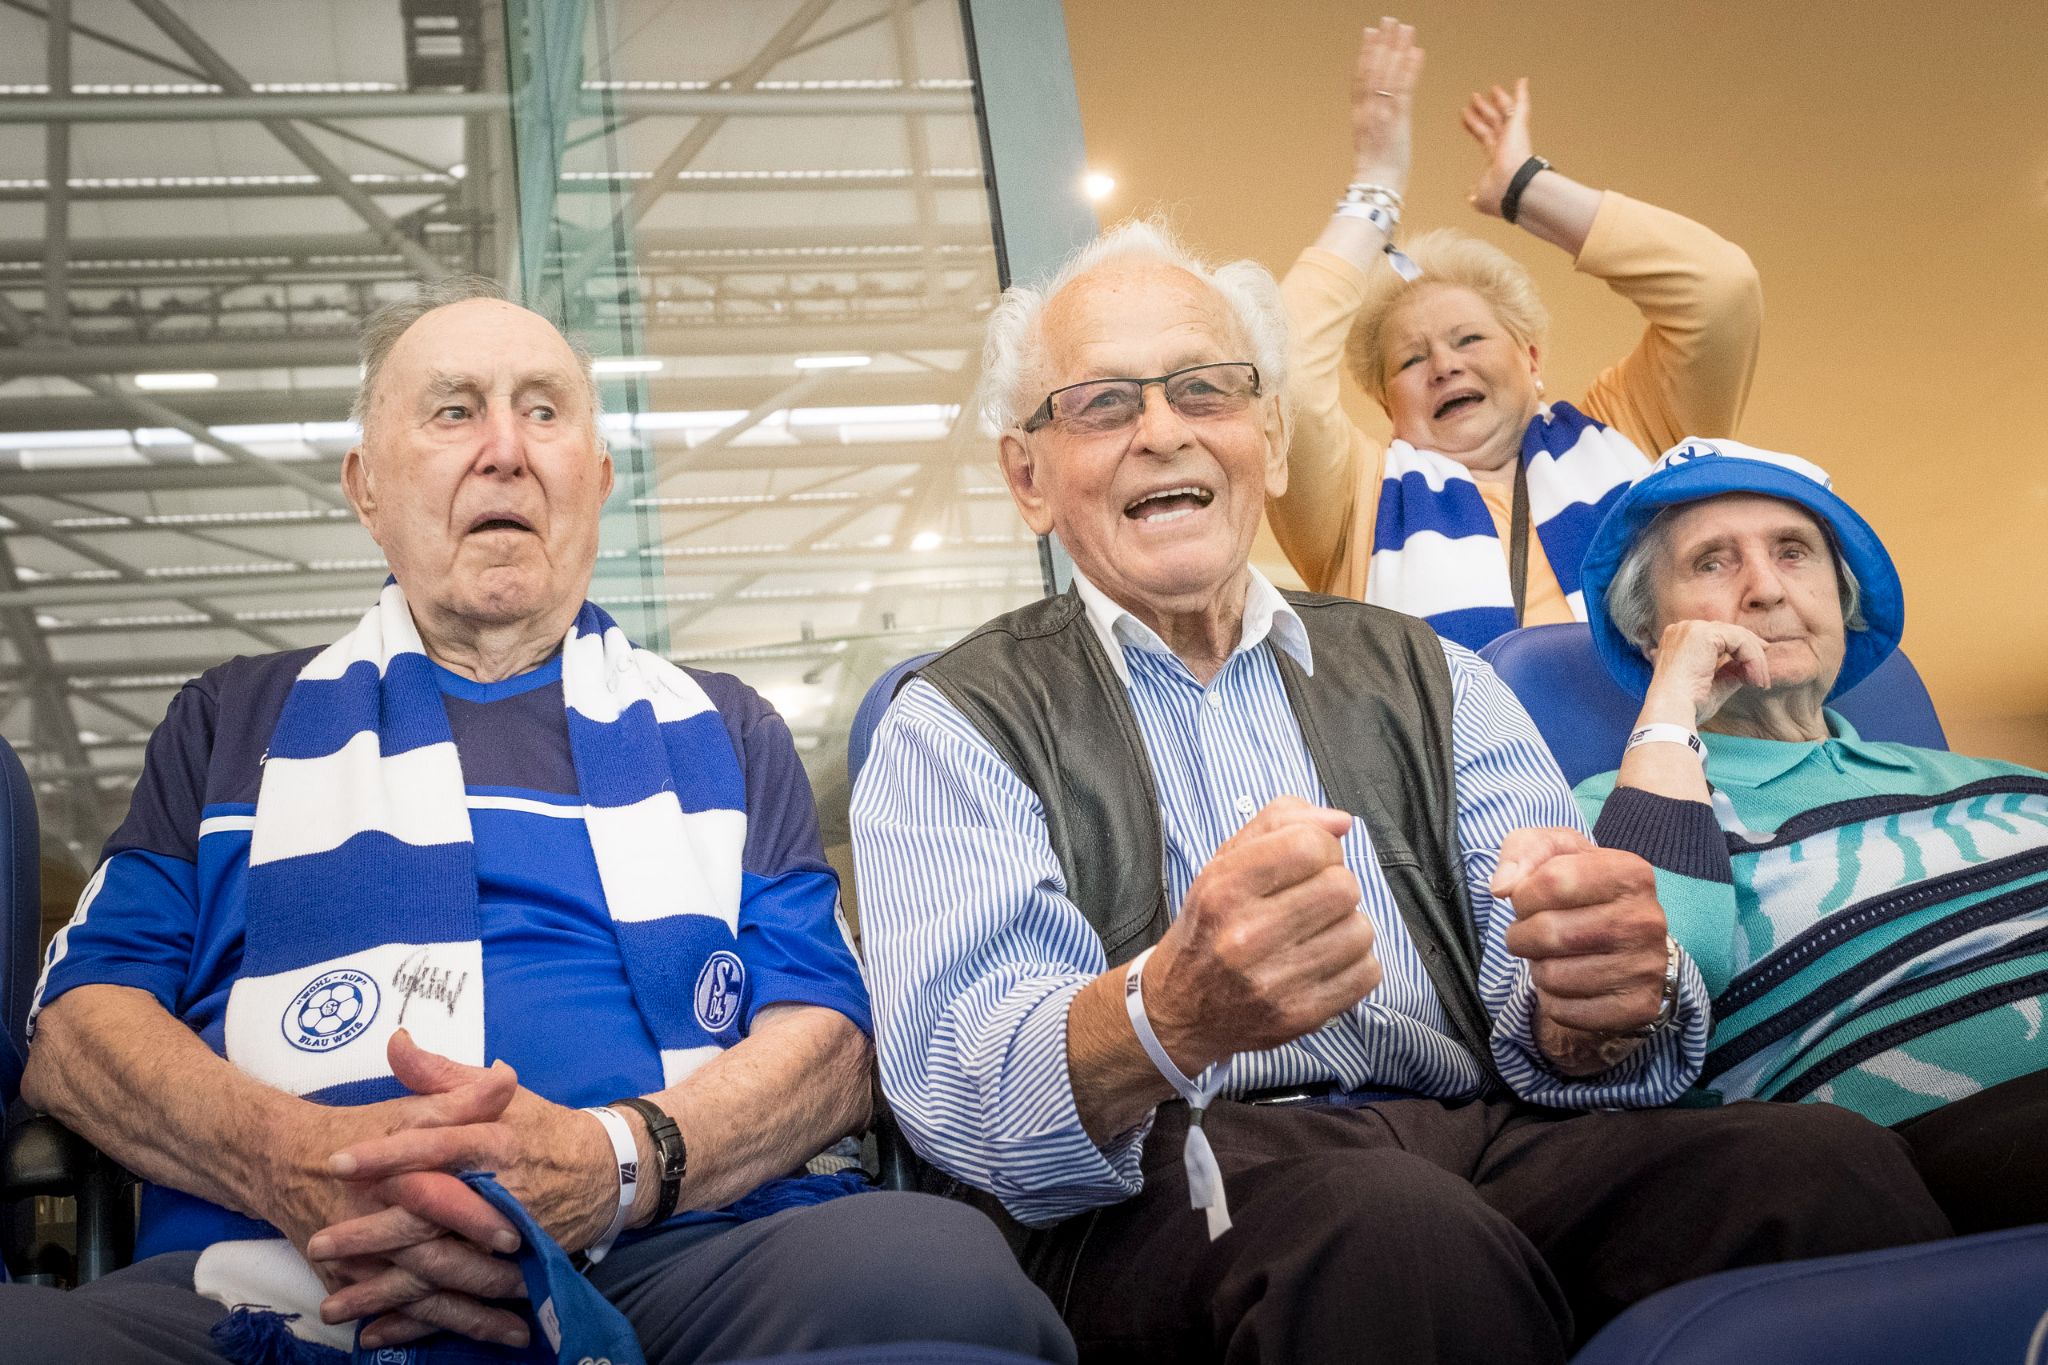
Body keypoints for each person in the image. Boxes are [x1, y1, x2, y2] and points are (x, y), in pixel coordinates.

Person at [849, 220, 1949, 1364]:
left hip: (1464, 1132)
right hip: (1160, 1177)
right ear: (1027, 477)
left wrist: (1593, 996)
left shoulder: (1437, 673)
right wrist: (1164, 1014)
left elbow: (1554, 1022)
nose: (1163, 431)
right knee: (1388, 1234)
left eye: (1204, 388)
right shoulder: (954, 718)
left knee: (1816, 1167)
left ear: (1271, 440)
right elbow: (961, 1087)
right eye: (1101, 404)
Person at [0, 277, 1074, 1365]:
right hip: (271, 1273)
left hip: (671, 1257)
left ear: (596, 482)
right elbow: (80, 1027)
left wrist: (617, 1161)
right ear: (367, 489)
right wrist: (301, 1160)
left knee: (935, 1277)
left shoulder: (722, 729)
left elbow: (829, 1041)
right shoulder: (232, 722)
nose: (505, 451)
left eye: (544, 411)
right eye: (454, 410)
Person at [1573, 436, 2048, 1236]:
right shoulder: (1619, 804)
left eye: (1793, 552)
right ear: (1654, 635)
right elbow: (1648, 990)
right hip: (1919, 1149)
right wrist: (1671, 710)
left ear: (1841, 597)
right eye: (1713, 562)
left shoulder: (2005, 779)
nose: (1766, 589)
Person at [1268, 18, 1762, 650]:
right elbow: (1279, 374)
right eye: (1411, 360)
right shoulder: (1356, 500)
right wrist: (1375, 192)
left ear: (1530, 358)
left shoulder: (1633, 429)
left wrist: (1527, 189)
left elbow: (1719, 290)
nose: (1444, 365)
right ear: (1387, 405)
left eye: (1469, 339)